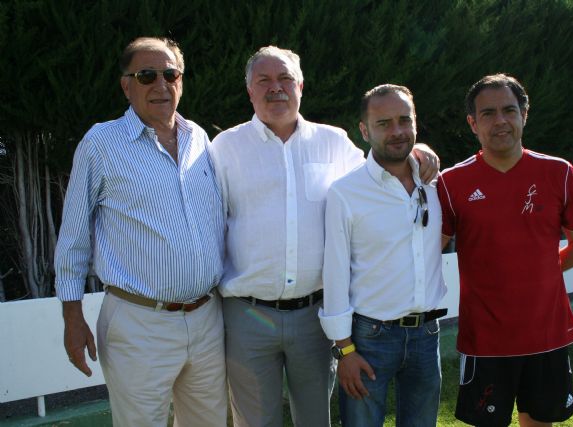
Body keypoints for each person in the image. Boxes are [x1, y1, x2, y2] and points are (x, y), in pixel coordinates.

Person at [208, 46, 439, 427]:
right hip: (247, 315)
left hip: (313, 317)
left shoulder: (334, 142)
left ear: (300, 85)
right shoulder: (224, 149)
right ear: (249, 91)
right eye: (263, 80)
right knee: (254, 422)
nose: (275, 88)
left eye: (284, 78)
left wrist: (417, 150)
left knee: (316, 419)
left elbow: (378, 172)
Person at [54, 37, 227, 427]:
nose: (161, 85)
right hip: (139, 324)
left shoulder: (200, 138)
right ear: (126, 85)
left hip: (206, 319)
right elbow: (73, 239)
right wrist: (72, 318)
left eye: (171, 74)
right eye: (147, 75)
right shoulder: (101, 143)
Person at [437, 73, 573, 427]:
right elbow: (427, 252)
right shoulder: (451, 182)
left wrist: (539, 271)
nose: (501, 121)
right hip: (484, 338)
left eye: (509, 110)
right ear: (473, 123)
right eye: (488, 113)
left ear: (525, 113)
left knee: (540, 421)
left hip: (546, 333)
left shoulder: (559, 173)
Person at [319, 84, 448, 427]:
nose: (397, 131)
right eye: (384, 123)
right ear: (364, 130)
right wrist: (344, 350)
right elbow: (334, 274)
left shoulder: (436, 183)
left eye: (405, 120)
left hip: (427, 335)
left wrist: (425, 153)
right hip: (369, 339)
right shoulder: (346, 192)